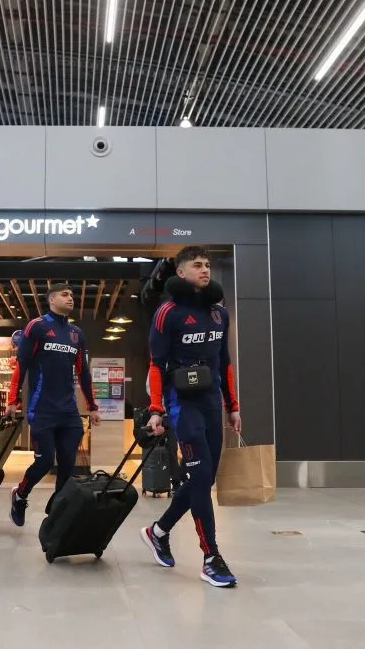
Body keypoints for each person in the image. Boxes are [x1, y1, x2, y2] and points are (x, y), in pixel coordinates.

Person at [140, 246, 242, 588]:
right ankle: (211, 557)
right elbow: (155, 365)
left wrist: (234, 406)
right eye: (197, 265)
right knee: (199, 478)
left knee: (203, 481)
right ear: (181, 273)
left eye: (208, 265)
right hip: (183, 406)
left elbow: (225, 363)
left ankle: (158, 531)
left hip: (212, 403)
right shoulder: (167, 313)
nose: (205, 270)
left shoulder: (219, 315)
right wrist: (157, 408)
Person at [5, 283, 100, 527]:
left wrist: (93, 405)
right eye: (64, 294)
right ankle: (21, 494)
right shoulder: (37, 327)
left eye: (72, 294)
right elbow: (21, 365)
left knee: (68, 464)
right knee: (45, 460)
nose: (71, 298)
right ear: (51, 300)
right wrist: (12, 399)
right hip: (42, 408)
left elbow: (83, 372)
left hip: (68, 410)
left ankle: (57, 509)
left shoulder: (77, 334)